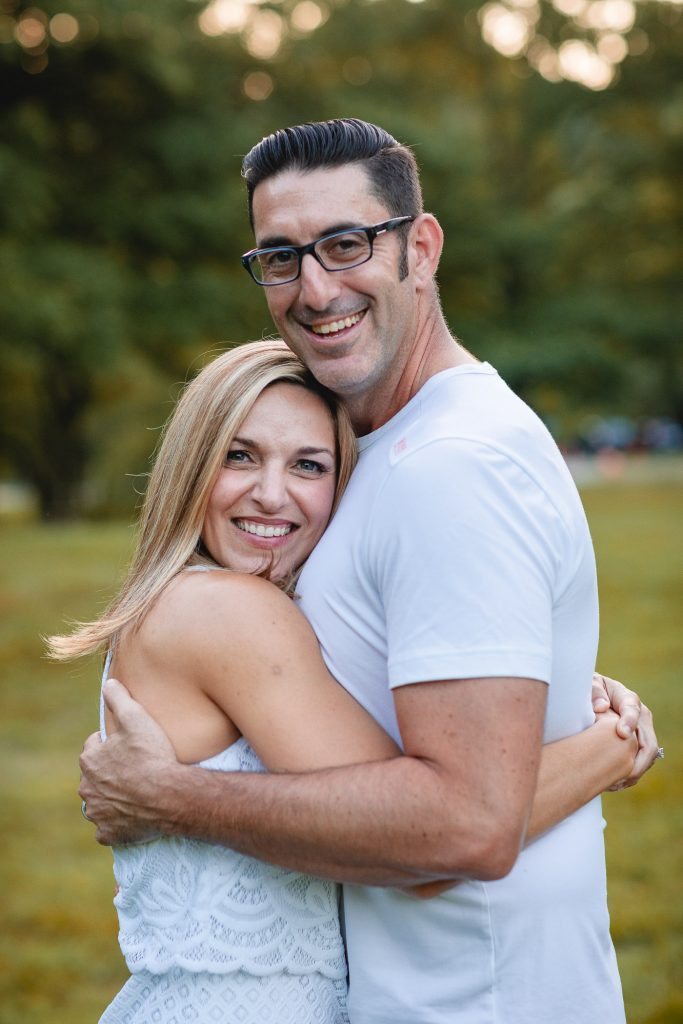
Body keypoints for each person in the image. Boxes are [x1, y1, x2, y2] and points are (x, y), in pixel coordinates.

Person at [79, 120, 661, 1024]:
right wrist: (603, 747)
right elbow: (468, 811)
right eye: (280, 257)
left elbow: (464, 823)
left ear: (418, 247)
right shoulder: (384, 469)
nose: (314, 287)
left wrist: (171, 797)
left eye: (346, 244)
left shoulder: (446, 463)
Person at [56, 340, 632, 1024]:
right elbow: (430, 841)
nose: (271, 493)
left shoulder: (186, 602)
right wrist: (609, 747)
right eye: (239, 456)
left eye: (308, 465)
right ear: (189, 467)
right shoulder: (227, 612)